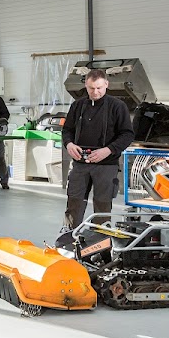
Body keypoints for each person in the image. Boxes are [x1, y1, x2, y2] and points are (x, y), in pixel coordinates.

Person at [59, 68, 134, 240]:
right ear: (86, 86)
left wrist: (108, 150)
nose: (95, 92)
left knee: (102, 204)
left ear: (106, 84)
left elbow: (127, 135)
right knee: (74, 201)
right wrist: (69, 144)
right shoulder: (78, 106)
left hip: (106, 165)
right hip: (80, 163)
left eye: (99, 88)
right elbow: (67, 130)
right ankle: (69, 237)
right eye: (91, 88)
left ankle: (100, 240)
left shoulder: (117, 106)